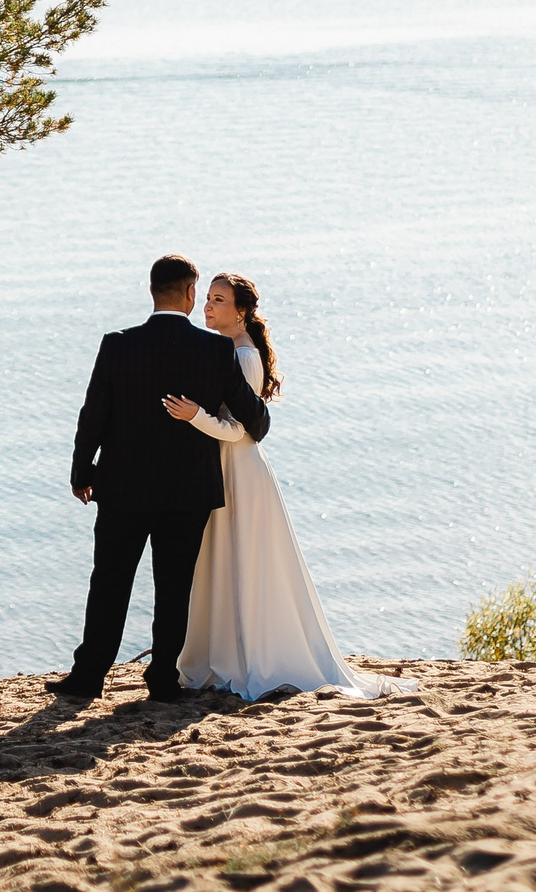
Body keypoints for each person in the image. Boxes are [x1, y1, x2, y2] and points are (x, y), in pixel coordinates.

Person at [167, 272, 414, 700]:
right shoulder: (222, 350)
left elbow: (239, 431)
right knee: (222, 563)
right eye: (206, 298)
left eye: (218, 300)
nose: (207, 306)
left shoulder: (243, 357)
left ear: (241, 311)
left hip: (240, 469)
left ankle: (251, 660)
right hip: (222, 468)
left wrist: (195, 417)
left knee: (246, 562)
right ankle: (220, 657)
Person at [50, 254, 273, 703]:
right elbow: (257, 424)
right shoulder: (216, 351)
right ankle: (162, 680)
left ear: (152, 292)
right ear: (191, 295)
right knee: (174, 588)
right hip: (187, 493)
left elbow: (92, 416)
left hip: (121, 488)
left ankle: (88, 678)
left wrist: (81, 473)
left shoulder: (117, 344)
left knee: (109, 583)